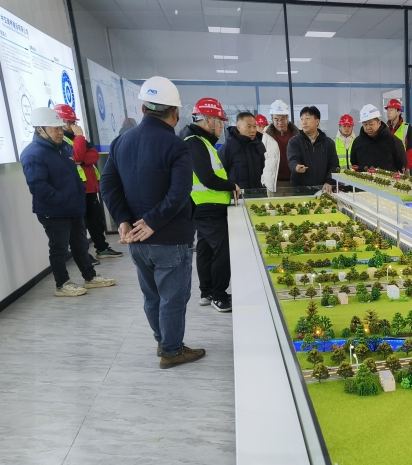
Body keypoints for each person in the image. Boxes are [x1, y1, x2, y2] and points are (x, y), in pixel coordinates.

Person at [101, 76, 205, 369]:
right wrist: (153, 221)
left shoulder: (121, 142)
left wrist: (123, 220)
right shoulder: (176, 145)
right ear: (175, 112)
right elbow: (179, 192)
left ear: (144, 109)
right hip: (169, 238)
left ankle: (163, 341)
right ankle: (172, 351)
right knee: (173, 298)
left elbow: (108, 185)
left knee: (152, 296)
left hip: (136, 239)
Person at [20, 107, 116, 297]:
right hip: (54, 211)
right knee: (59, 249)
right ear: (40, 129)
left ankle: (90, 277)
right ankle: (62, 284)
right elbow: (39, 187)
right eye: (54, 128)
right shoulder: (33, 153)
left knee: (81, 245)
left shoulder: (63, 147)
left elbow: (75, 174)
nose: (59, 132)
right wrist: (63, 200)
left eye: (60, 127)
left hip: (73, 207)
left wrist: (77, 199)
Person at [181, 98, 241, 313]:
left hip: (207, 205)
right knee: (223, 251)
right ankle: (219, 295)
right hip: (208, 206)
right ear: (208, 120)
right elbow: (207, 178)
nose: (222, 126)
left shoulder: (201, 141)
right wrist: (232, 185)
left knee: (205, 249)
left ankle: (207, 292)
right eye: (220, 122)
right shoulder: (195, 141)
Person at [54, 104, 122, 266]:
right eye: (69, 122)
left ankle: (102, 248)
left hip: (90, 187)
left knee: (95, 220)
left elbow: (93, 156)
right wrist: (80, 139)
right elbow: (76, 157)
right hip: (77, 188)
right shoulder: (64, 140)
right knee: (80, 225)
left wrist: (81, 153)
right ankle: (83, 256)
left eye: (73, 122)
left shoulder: (76, 138)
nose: (73, 126)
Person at [220, 111, 279, 190]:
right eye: (248, 126)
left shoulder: (258, 145)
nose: (252, 130)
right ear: (238, 127)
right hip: (237, 194)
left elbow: (262, 168)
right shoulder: (228, 147)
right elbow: (221, 173)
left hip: (256, 193)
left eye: (254, 126)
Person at [287, 106, 339, 193]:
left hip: (323, 190)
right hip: (301, 190)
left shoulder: (328, 143)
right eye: (302, 119)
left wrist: (329, 181)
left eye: (307, 118)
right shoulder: (294, 141)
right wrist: (296, 167)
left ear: (317, 121)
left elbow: (334, 165)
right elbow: (292, 159)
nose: (304, 122)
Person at [349, 105, 407, 173]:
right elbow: (354, 163)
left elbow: (401, 165)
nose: (368, 127)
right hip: (363, 179)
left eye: (371, 124)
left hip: (388, 179)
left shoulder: (393, 141)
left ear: (379, 123)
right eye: (365, 124)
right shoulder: (357, 142)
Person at [264, 100, 299, 191]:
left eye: (283, 118)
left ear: (287, 118)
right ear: (272, 119)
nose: (280, 122)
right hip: (273, 183)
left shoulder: (297, 135)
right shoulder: (265, 136)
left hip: (294, 182)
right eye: (276, 119)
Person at [384, 99, 412, 171]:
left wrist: (407, 167)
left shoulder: (407, 128)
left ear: (398, 112)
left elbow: (411, 150)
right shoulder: (384, 128)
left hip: (402, 167)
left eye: (391, 110)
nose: (388, 112)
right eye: (387, 110)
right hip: (387, 167)